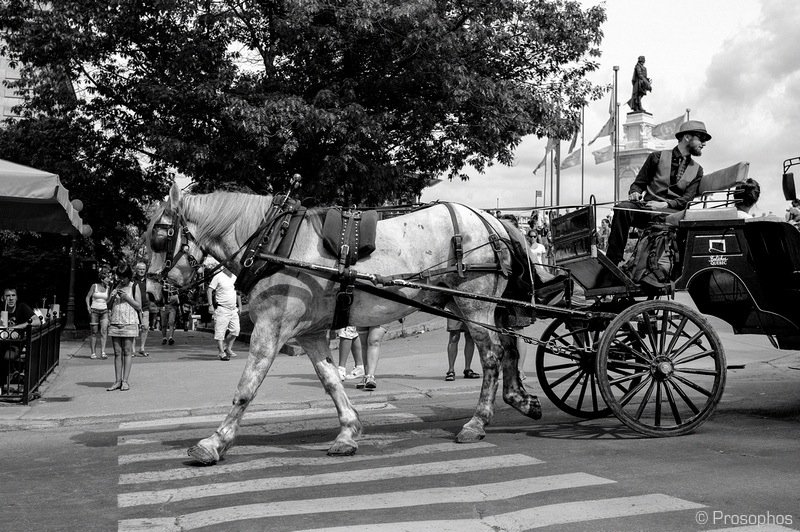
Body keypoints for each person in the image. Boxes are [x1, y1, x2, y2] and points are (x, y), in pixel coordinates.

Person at [606, 120, 711, 265]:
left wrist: (664, 204)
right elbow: (638, 184)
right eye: (702, 138)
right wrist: (635, 193)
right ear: (687, 137)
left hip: (671, 213)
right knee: (622, 208)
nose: (704, 143)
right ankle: (612, 262)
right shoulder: (656, 157)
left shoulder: (697, 169)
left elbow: (687, 199)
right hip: (647, 210)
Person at [106, 261, 142, 391]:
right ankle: (117, 381)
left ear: (129, 276)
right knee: (117, 352)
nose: (120, 279)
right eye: (119, 277)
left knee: (127, 351)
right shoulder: (115, 285)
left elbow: (139, 306)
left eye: (123, 277)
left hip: (129, 322)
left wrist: (127, 298)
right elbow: (108, 305)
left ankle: (125, 381)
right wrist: (111, 297)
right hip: (115, 322)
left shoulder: (134, 286)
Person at [2, 287, 39, 387]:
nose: (11, 298)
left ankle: (6, 380)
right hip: (1, 342)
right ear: (3, 298)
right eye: (8, 296)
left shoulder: (21, 307)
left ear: (17, 298)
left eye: (13, 295)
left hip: (15, 344)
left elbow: (37, 321)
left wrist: (16, 328)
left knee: (7, 357)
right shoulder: (1, 309)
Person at [207, 265, 241, 361]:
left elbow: (237, 292)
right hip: (222, 309)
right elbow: (209, 290)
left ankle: (226, 347)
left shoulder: (235, 277)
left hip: (233, 309)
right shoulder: (218, 277)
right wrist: (210, 305)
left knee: (236, 330)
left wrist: (240, 306)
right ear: (225, 267)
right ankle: (222, 353)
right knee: (220, 333)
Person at [85, 268, 112, 360]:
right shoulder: (94, 286)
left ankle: (103, 352)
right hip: (94, 311)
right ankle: (93, 352)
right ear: (102, 279)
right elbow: (88, 297)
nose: (109, 280)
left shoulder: (108, 288)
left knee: (104, 331)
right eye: (107, 278)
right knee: (94, 332)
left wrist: (112, 296)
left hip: (104, 311)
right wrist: (88, 307)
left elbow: (107, 301)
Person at [355, 325, 386, 390]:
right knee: (364, 344)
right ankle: (367, 376)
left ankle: (370, 376)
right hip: (363, 317)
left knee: (374, 341)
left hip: (382, 316)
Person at [132, 261, 151, 357]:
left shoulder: (149, 281)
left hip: (145, 307)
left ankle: (142, 348)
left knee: (145, 327)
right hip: (134, 307)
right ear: (136, 270)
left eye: (143, 269)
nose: (142, 271)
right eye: (140, 269)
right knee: (135, 328)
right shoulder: (132, 281)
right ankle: (132, 350)